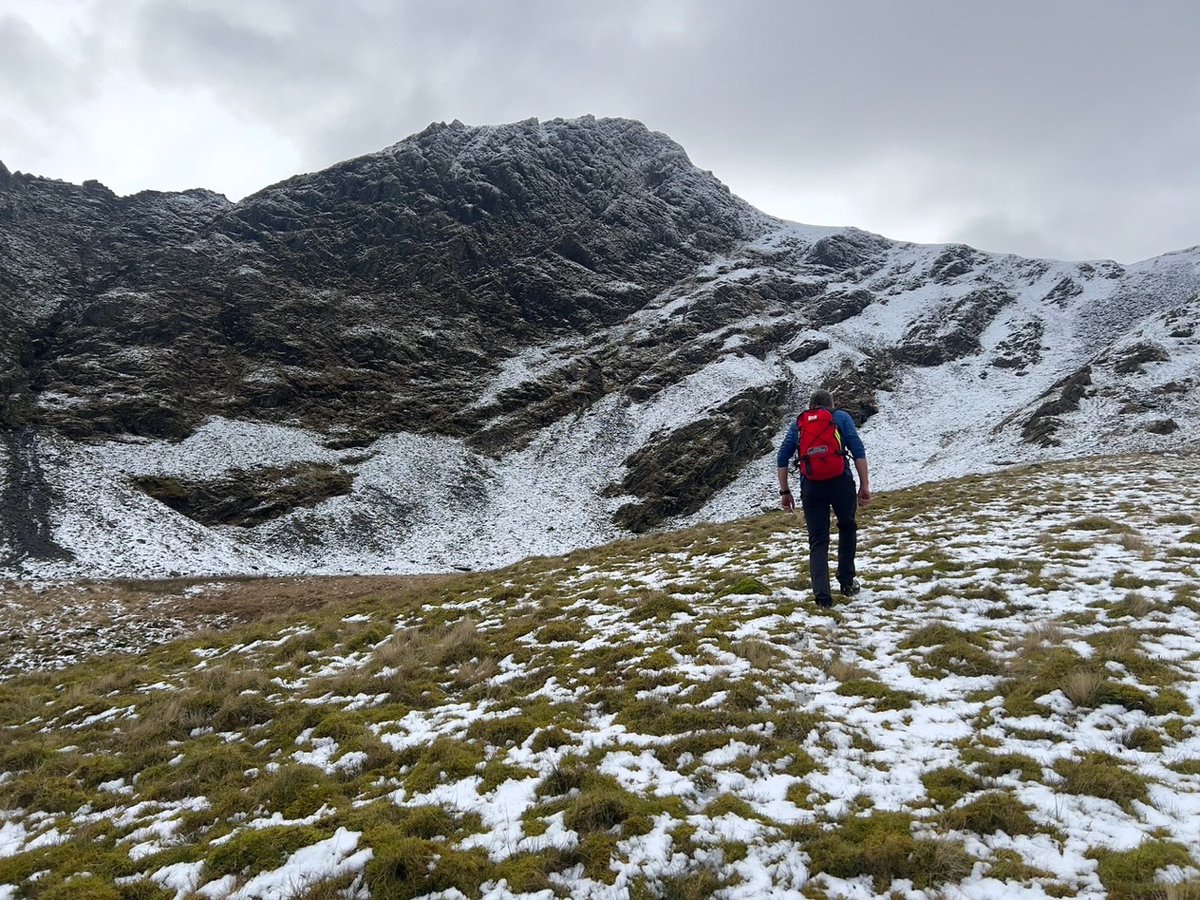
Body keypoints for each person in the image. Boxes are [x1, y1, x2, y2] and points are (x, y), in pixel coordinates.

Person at [776, 389, 871, 607]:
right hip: (841, 482)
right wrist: (864, 485)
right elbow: (858, 450)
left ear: (811, 406)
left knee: (818, 541)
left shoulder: (799, 423)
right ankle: (847, 582)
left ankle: (822, 597)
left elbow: (782, 457)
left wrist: (785, 492)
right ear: (831, 403)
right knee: (847, 527)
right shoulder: (841, 417)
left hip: (811, 487)